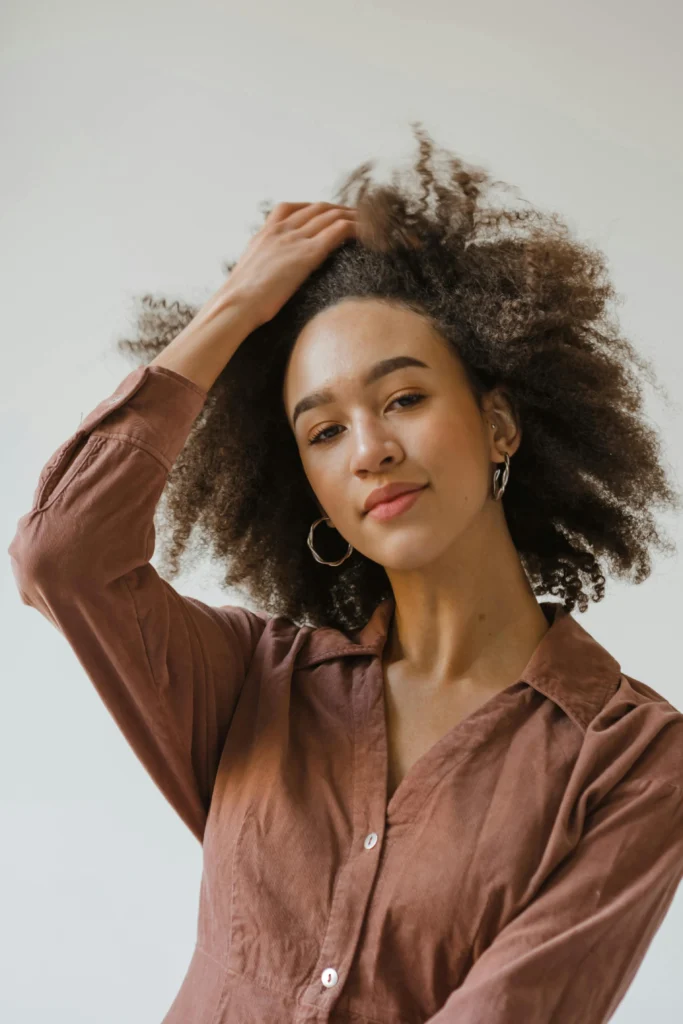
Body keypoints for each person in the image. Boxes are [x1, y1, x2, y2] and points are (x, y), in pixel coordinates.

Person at [8, 125, 683, 1023]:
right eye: (323, 431)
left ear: (499, 427)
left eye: (404, 397)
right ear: (310, 487)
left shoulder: (631, 759)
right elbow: (64, 556)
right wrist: (235, 308)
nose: (370, 450)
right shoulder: (255, 683)